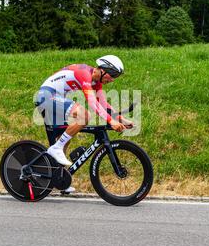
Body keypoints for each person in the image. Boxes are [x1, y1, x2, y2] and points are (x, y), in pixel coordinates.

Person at [34, 55, 134, 193]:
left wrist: (122, 119)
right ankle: (56, 148)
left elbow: (104, 104)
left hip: (56, 98)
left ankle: (60, 180)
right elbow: (93, 103)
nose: (111, 80)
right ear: (102, 70)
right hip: (47, 96)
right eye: (112, 75)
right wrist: (111, 121)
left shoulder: (96, 82)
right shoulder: (84, 73)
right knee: (84, 115)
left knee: (64, 138)